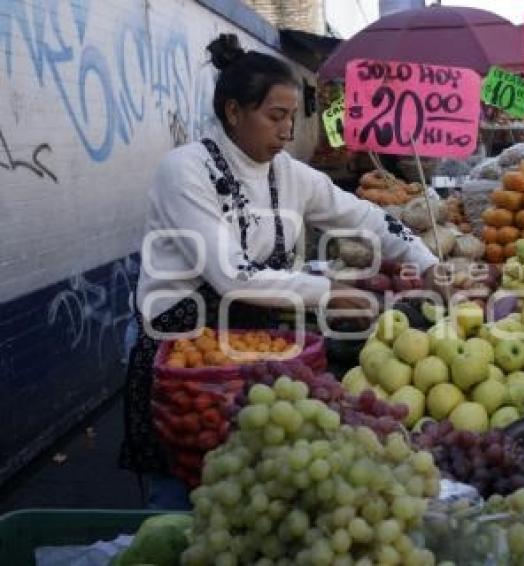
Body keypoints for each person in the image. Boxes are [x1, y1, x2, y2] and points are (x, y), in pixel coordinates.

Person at [120, 34, 442, 508]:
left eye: (293, 116)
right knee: (182, 498)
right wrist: (326, 291)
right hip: (184, 357)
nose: (289, 131)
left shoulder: (289, 174)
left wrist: (426, 262)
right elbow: (233, 275)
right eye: (276, 116)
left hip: (255, 354)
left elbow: (367, 217)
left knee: (253, 490)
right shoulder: (185, 172)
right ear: (234, 112)